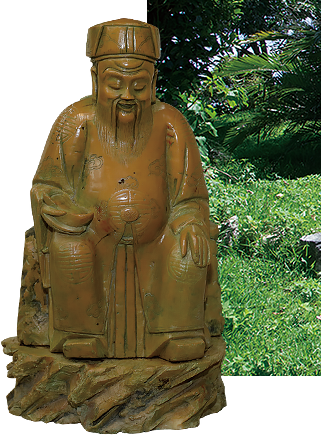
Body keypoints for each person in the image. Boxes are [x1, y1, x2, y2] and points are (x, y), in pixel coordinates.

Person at [28, 21, 222, 362]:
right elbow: (49, 183)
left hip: (158, 239)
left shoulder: (170, 122)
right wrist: (60, 209)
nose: (127, 96)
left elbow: (189, 193)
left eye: (138, 85)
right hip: (91, 234)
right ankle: (81, 333)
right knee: (70, 247)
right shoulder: (77, 121)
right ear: (95, 80)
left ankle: (174, 334)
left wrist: (189, 218)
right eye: (115, 84)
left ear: (154, 84)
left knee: (189, 247)